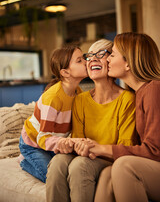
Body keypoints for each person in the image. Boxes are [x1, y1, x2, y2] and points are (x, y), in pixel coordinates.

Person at [46, 39, 138, 202]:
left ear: (111, 62)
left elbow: (125, 147)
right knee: (58, 161)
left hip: (110, 160)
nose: (93, 59)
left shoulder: (127, 99)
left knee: (80, 165)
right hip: (87, 155)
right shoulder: (80, 99)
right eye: (90, 56)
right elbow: (78, 139)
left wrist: (90, 148)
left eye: (101, 54)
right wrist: (71, 144)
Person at [87, 32, 160, 202]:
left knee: (123, 166)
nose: (108, 60)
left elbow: (155, 151)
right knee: (107, 173)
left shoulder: (154, 90)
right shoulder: (138, 93)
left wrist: (102, 148)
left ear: (128, 64)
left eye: (112, 54)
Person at [18, 45, 88, 183]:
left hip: (53, 140)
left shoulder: (78, 92)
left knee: (72, 173)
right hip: (33, 143)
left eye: (84, 58)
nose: (86, 62)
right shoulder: (53, 98)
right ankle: (24, 161)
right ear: (65, 73)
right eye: (79, 60)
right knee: (54, 179)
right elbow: (43, 138)